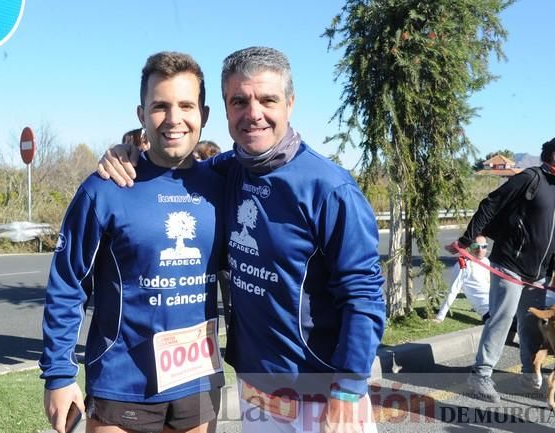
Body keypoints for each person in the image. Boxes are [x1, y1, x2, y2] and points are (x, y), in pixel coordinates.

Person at [99, 46, 386, 433]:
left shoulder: (330, 188)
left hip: (321, 394)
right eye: (239, 101)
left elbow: (364, 294)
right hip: (256, 390)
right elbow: (176, 168)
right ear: (225, 110)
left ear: (290, 103)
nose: (254, 114)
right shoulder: (227, 170)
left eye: (267, 99)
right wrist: (128, 153)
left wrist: (348, 390)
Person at [39, 52, 226, 433]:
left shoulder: (223, 184)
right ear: (141, 114)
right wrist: (58, 374)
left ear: (204, 115)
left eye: (186, 105)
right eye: (160, 106)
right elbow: (67, 283)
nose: (174, 119)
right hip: (123, 383)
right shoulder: (106, 187)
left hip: (198, 380)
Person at [446, 136, 555, 403]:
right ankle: (480, 375)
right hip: (509, 264)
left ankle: (528, 375)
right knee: (502, 319)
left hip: (538, 274)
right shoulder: (530, 178)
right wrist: (466, 241)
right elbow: (491, 203)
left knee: (530, 326)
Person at [434, 235, 490, 323]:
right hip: (490, 312)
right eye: (475, 246)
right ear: (469, 247)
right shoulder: (463, 265)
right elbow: (452, 292)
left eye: (484, 246)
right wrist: (440, 317)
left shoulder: (486, 261)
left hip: (499, 304)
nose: (480, 250)